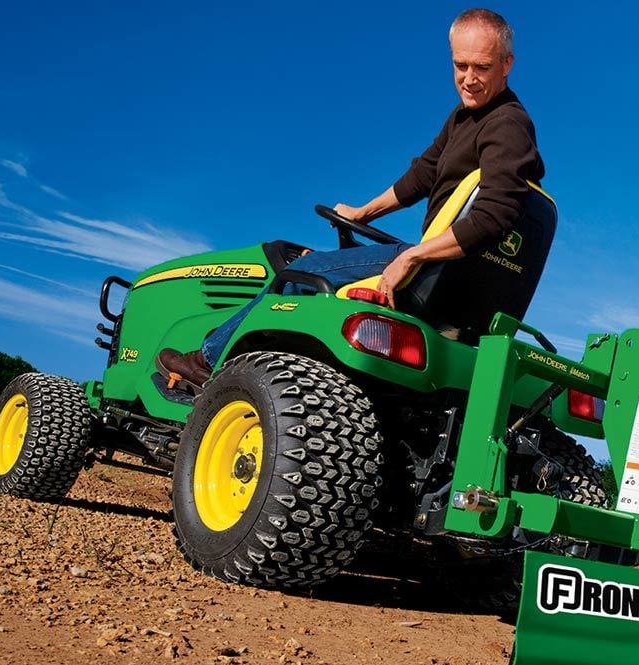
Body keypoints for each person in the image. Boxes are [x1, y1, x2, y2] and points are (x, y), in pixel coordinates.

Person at [157, 7, 544, 391]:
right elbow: (423, 175)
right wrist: (363, 213)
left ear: (507, 63)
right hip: (450, 277)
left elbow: (496, 214)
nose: (469, 79)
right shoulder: (464, 118)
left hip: (440, 273)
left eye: (482, 67)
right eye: (461, 66)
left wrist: (413, 256)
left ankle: (207, 360)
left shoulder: (508, 123)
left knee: (303, 275)